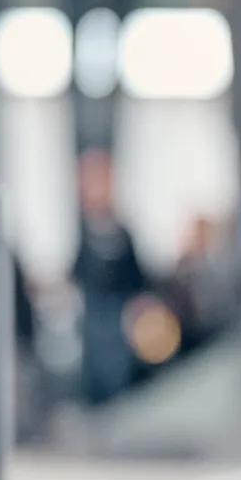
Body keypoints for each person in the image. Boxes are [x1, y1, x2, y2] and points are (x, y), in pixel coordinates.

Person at [69, 148, 153, 407]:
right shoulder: (76, 229)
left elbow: (137, 277)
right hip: (91, 317)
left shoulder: (122, 231)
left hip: (119, 318)